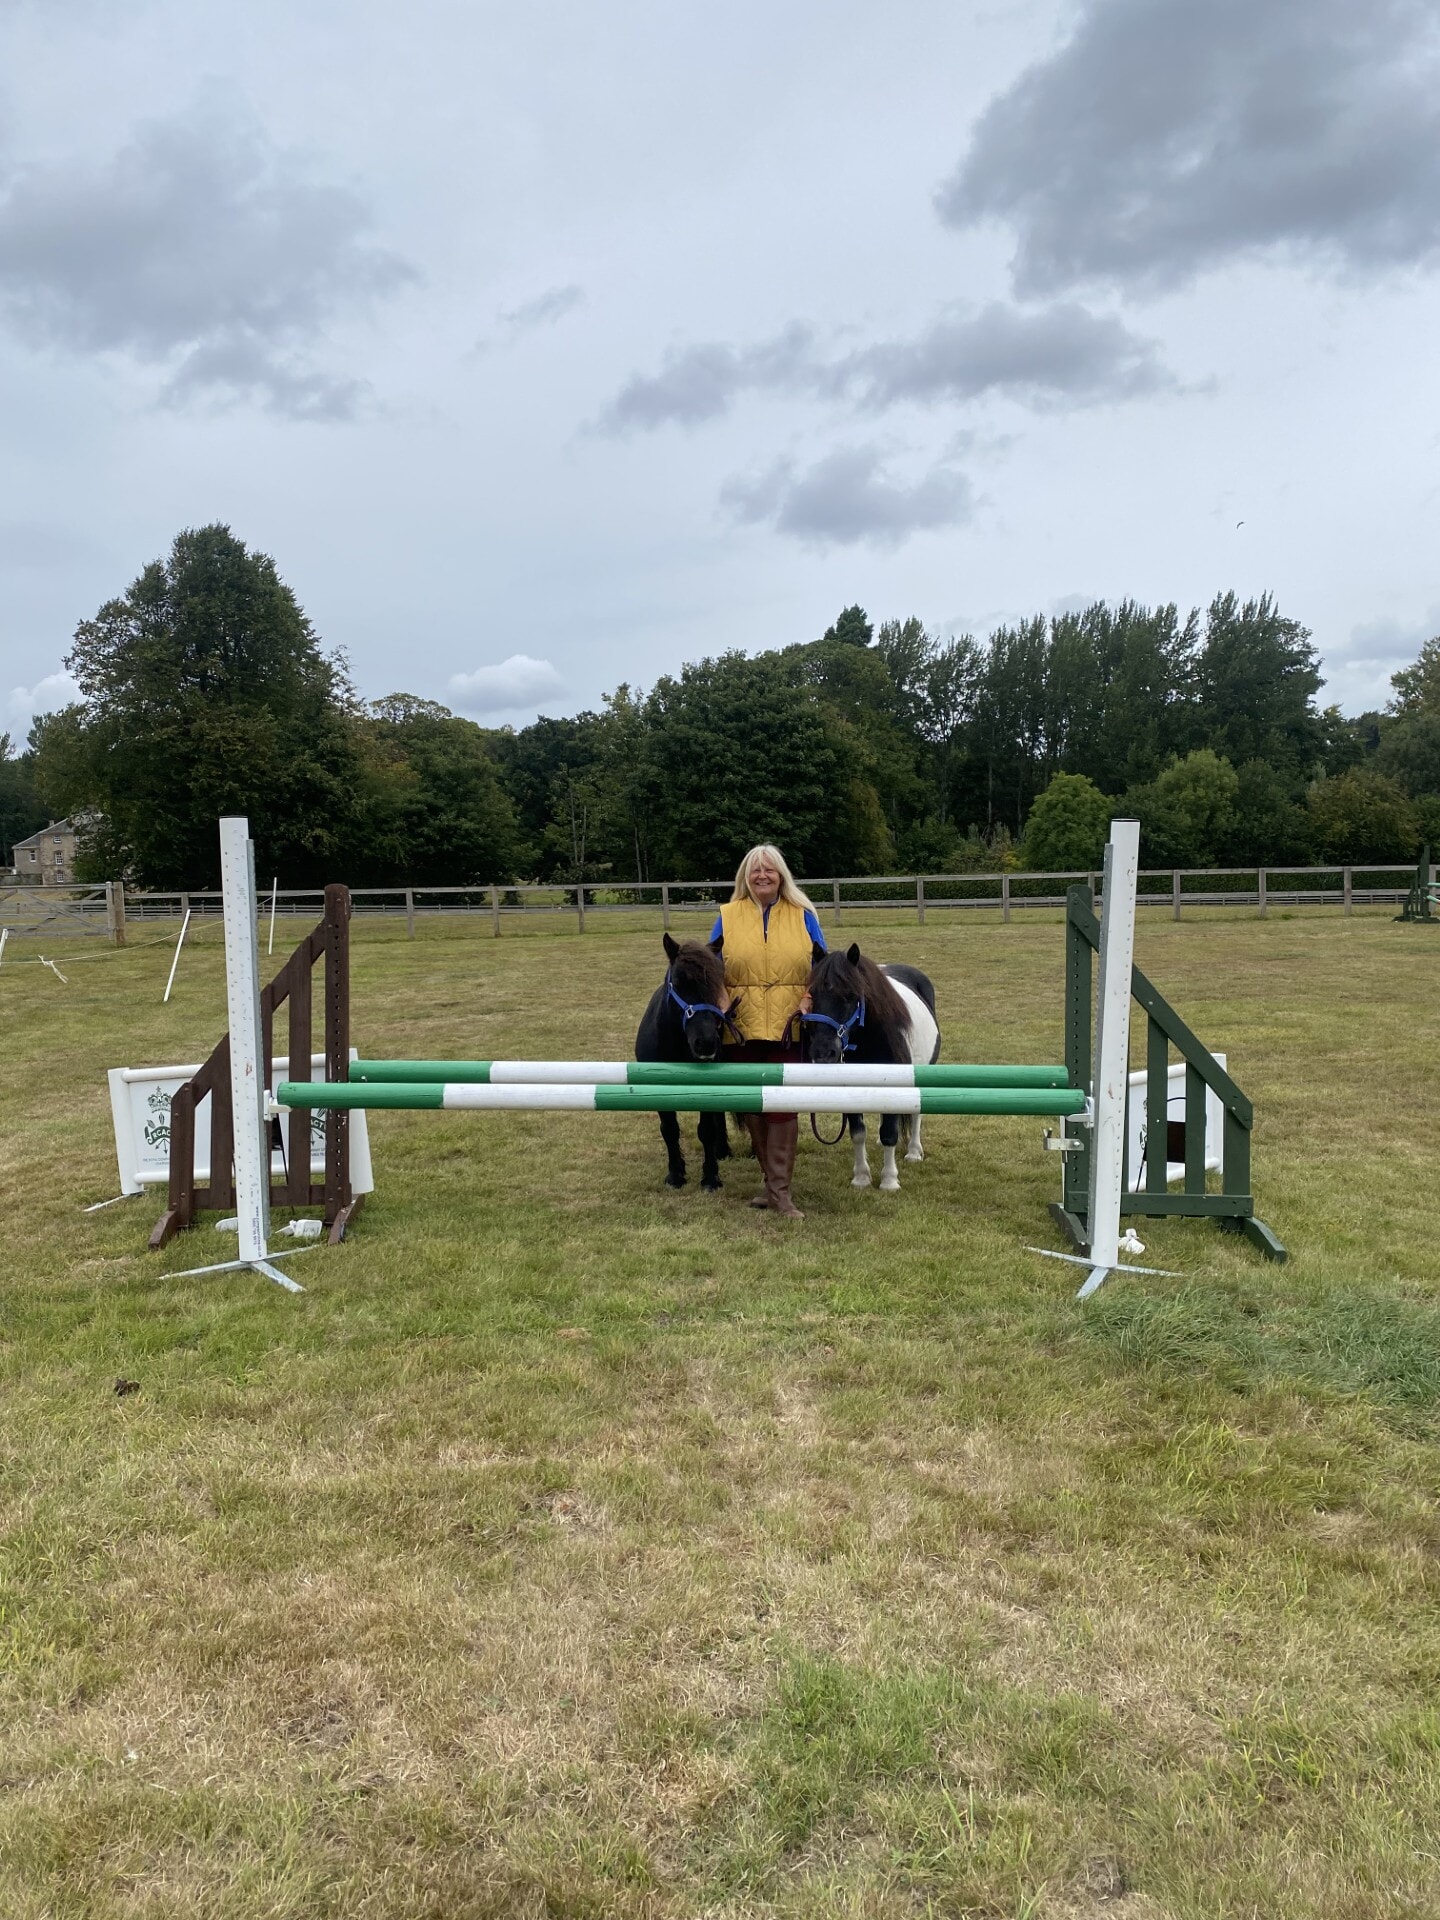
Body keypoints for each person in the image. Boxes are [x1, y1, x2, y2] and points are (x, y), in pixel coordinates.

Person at [709, 844, 826, 1217]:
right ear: (746, 875)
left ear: (781, 876)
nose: (762, 875)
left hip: (788, 1024)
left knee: (782, 1107)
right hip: (740, 1026)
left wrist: (807, 999)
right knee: (752, 1106)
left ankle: (780, 1193)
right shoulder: (727, 916)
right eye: (755, 870)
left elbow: (824, 967)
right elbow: (708, 966)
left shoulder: (804, 915)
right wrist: (721, 1000)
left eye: (769, 870)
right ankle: (770, 1184)